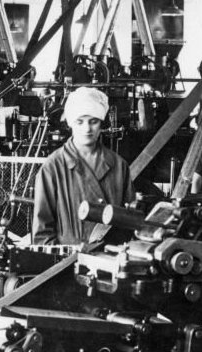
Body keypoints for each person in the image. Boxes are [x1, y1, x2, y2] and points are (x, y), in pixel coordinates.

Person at [32, 86, 133, 246]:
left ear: (101, 123)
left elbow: (130, 224)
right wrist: (59, 264)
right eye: (80, 122)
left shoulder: (119, 166)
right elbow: (42, 233)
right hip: (69, 262)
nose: (87, 128)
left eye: (93, 122)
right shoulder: (53, 167)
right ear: (70, 123)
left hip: (112, 260)